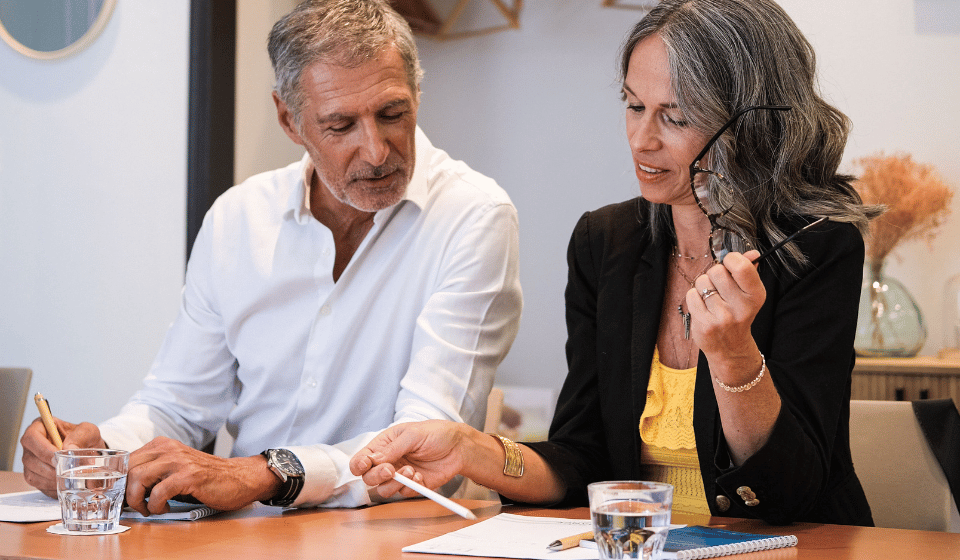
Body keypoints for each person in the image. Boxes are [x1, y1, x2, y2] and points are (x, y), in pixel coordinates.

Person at [351, 0, 879, 526]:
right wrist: (472, 450)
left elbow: (791, 494)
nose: (641, 139)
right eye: (633, 106)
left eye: (675, 117)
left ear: (750, 121)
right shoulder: (606, 242)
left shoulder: (817, 245)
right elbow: (582, 457)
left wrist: (733, 356)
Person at [20, 0, 521, 516]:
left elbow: (417, 445)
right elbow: (178, 405)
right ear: (289, 118)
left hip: (388, 533)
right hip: (236, 536)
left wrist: (263, 473)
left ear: (417, 94)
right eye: (340, 125)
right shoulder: (238, 217)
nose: (375, 150)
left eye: (392, 114)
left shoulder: (474, 216)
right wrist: (96, 449)